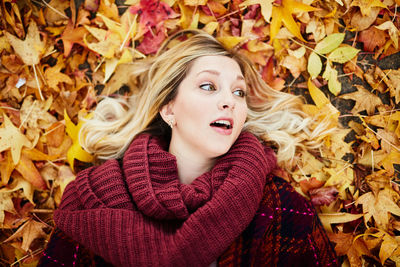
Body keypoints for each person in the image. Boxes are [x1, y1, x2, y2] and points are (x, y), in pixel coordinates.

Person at [39, 30, 338, 266]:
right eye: (208, 86)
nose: (230, 101)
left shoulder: (279, 208)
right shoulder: (96, 198)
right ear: (169, 109)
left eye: (239, 92)